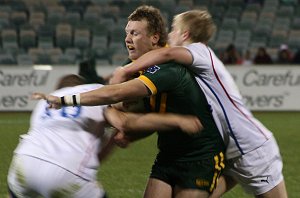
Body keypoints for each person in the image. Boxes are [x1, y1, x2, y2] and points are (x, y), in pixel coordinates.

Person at [33, 5, 226, 198]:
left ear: (154, 38)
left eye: (135, 33)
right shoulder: (133, 66)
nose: (127, 39)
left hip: (202, 155)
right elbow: (145, 117)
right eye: (127, 33)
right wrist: (128, 131)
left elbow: (115, 94)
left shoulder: (169, 68)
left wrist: (66, 100)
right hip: (168, 153)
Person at [109, 9, 288, 198]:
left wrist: (125, 70)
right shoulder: (187, 65)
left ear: (185, 34)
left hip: (252, 149)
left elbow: (166, 54)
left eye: (173, 30)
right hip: (225, 149)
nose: (169, 35)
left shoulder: (199, 51)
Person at [8, 74, 203, 198]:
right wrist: (177, 120)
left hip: (23, 164)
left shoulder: (45, 103)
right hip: (65, 173)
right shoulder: (94, 93)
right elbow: (125, 123)